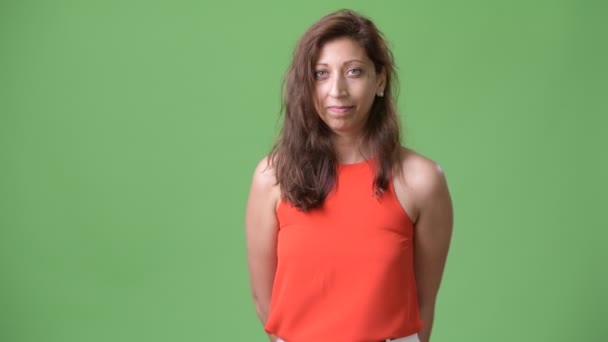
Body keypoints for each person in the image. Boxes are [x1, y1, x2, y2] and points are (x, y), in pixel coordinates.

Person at [245, 9, 453, 342]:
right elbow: (263, 300)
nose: (337, 90)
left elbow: (424, 302)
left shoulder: (421, 180)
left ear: (380, 79)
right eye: (320, 73)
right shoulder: (273, 177)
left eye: (354, 71)